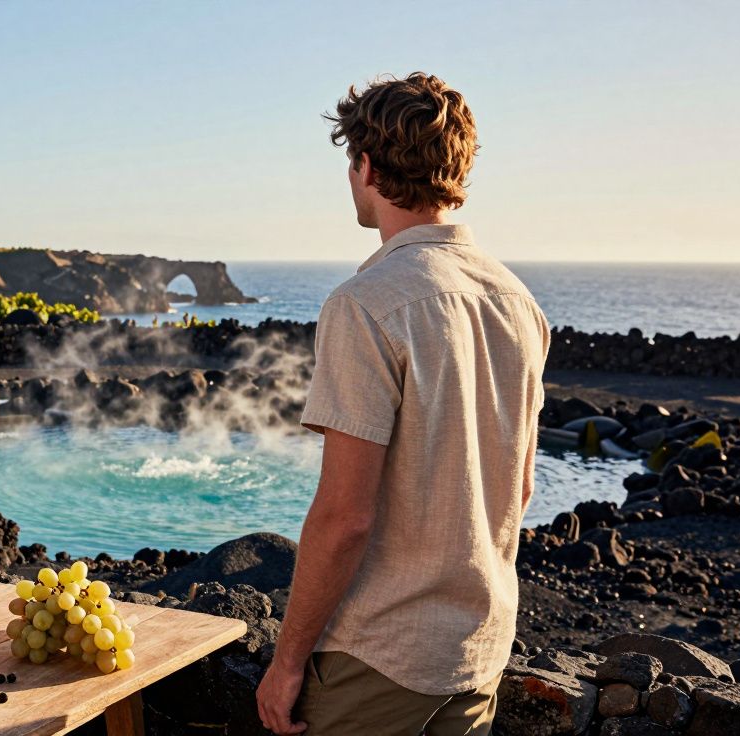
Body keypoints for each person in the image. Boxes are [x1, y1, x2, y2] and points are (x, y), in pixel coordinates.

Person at [255, 73, 551, 735]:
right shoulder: (518, 304)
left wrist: (288, 660)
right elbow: (522, 487)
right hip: (478, 650)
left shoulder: (365, 304)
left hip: (378, 660)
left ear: (365, 165)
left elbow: (344, 517)